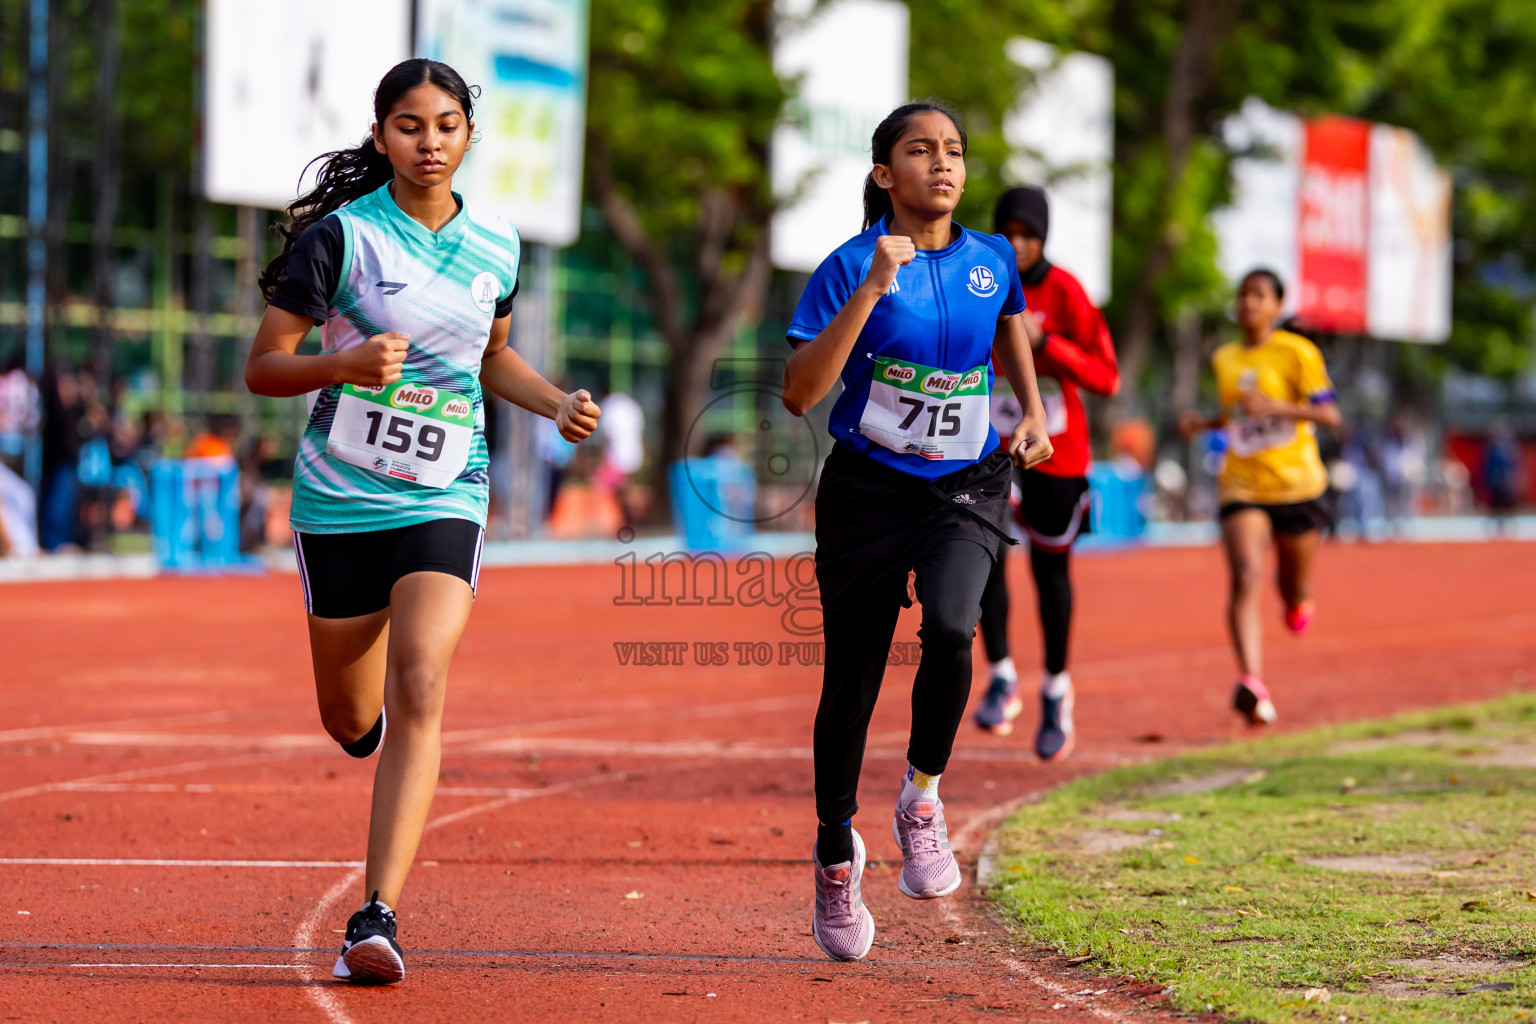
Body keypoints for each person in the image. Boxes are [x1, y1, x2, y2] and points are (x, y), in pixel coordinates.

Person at [244, 59, 600, 985]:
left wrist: (553, 402)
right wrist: (345, 365)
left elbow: (493, 361)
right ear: (380, 136)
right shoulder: (341, 241)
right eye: (409, 126)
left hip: (448, 488)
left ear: (469, 138)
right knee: (350, 714)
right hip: (341, 498)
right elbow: (265, 367)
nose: (429, 142)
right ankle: (372, 734)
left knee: (423, 678)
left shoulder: (497, 245)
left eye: (446, 126)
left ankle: (377, 914)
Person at [780, 101, 1053, 962]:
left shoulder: (992, 260)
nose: (943, 164)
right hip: (868, 489)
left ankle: (923, 795)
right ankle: (834, 852)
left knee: (955, 625)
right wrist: (869, 289)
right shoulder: (848, 265)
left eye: (954, 152)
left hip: (965, 483)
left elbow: (1010, 327)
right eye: (921, 151)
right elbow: (797, 393)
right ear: (883, 174)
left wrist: (1035, 413)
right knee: (851, 685)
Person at [972, 187, 1119, 759]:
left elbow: (1108, 377)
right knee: (983, 551)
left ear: (1044, 238)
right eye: (1009, 232)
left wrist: (1047, 341)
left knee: (1049, 570)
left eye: (1029, 234)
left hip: (1056, 450)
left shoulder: (1066, 291)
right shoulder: (978, 278)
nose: (1019, 244)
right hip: (988, 442)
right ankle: (1002, 676)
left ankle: (1056, 688)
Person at [1178, 269, 1340, 725]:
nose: (1248, 303)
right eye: (1243, 294)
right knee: (1246, 573)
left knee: (1294, 586)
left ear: (1277, 306)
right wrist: (1204, 423)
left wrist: (1277, 407)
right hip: (1242, 482)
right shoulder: (1224, 357)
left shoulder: (1297, 352)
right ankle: (1253, 681)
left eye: (1259, 295)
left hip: (1297, 486)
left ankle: (1294, 597)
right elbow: (1235, 415)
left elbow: (1329, 413)